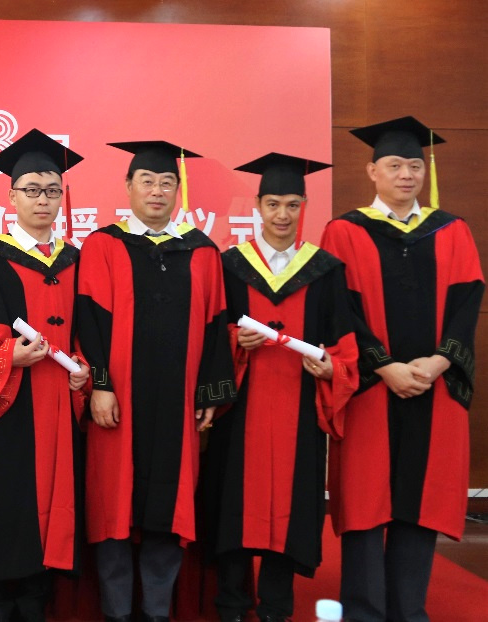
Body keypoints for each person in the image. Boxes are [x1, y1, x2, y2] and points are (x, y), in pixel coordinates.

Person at [320, 116, 483, 622]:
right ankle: (364, 611)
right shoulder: (345, 232)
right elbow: (338, 310)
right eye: (394, 165)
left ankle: (409, 609)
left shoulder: (452, 230)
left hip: (433, 386)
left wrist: (438, 362)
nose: (406, 174)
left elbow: (467, 302)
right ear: (373, 171)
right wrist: (385, 366)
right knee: (366, 501)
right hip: (371, 387)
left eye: (415, 165)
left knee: (420, 498)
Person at [74, 140, 235, 622]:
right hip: (120, 402)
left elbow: (215, 326)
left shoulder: (202, 251)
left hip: (178, 405)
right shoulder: (103, 245)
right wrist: (101, 386)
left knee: (169, 507)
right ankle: (117, 612)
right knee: (114, 509)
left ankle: (157, 612)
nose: (158, 191)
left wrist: (209, 394)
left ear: (178, 190)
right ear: (128, 187)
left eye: (167, 182)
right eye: (147, 181)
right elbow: (90, 322)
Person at [201, 153, 358, 622]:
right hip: (240, 408)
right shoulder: (231, 266)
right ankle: (231, 604)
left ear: (304, 206)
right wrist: (236, 340)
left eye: (292, 205)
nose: (283, 215)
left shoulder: (325, 270)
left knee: (289, 508)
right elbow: (209, 332)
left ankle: (276, 606)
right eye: (273, 204)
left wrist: (331, 367)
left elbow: (345, 343)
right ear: (258, 206)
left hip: (299, 406)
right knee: (233, 501)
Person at [0, 129, 91, 622]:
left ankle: (36, 604)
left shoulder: (76, 261)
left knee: (51, 514)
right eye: (32, 190)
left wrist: (83, 370)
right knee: (2, 506)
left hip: (58, 406)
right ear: (11, 195)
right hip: (6, 410)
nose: (43, 200)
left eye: (52, 190)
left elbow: (88, 334)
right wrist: (6, 357)